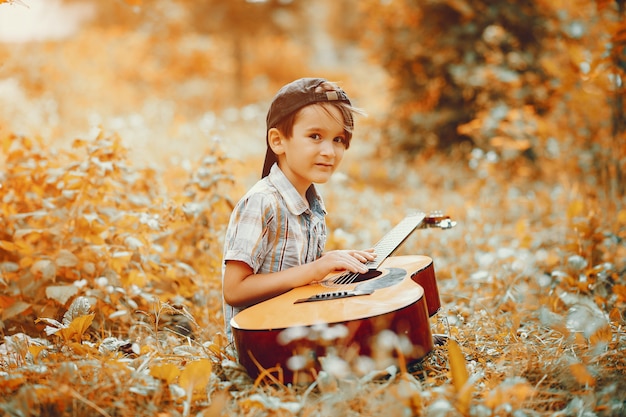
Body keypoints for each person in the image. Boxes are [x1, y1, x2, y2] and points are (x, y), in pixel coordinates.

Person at [221, 77, 376, 341]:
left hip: (298, 327)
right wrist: (316, 269)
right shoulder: (262, 202)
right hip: (263, 341)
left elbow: (297, 274)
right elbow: (234, 290)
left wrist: (332, 264)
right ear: (278, 141)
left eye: (339, 139)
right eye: (315, 136)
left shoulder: (312, 204)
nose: (329, 151)